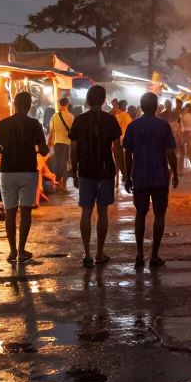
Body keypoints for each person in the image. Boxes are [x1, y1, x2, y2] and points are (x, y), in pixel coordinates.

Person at [69, 85, 124, 268]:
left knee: (86, 212)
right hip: (105, 172)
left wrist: (73, 172)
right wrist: (123, 172)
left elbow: (73, 150)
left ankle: (87, 254)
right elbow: (117, 149)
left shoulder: (79, 120)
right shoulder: (111, 120)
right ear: (104, 100)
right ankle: (99, 253)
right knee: (102, 212)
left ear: (88, 100)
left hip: (86, 172)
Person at [0, 92, 49, 263]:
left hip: (7, 171)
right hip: (28, 171)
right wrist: (36, 149)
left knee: (9, 212)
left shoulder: (3, 124)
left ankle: (12, 252)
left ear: (14, 104)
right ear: (30, 106)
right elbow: (44, 149)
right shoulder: (34, 124)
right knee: (25, 212)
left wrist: (5, 150)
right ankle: (22, 251)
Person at [122, 92, 179, 268]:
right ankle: (154, 255)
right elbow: (170, 152)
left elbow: (127, 153)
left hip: (140, 175)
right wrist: (175, 173)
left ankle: (139, 253)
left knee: (140, 214)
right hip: (160, 176)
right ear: (156, 107)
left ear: (141, 106)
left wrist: (127, 176)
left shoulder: (133, 126)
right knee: (159, 214)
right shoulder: (164, 126)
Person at [49, 96, 74, 191]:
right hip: (66, 143)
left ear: (60, 104)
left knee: (57, 162)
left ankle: (57, 181)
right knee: (65, 163)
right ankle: (64, 184)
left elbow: (52, 130)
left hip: (57, 143)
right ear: (67, 104)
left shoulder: (55, 116)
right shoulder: (71, 116)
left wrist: (50, 142)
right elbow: (74, 131)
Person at [179, 103, 191, 173]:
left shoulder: (184, 116)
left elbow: (182, 128)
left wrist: (181, 135)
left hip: (187, 134)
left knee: (187, 152)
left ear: (187, 109)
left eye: (185, 108)